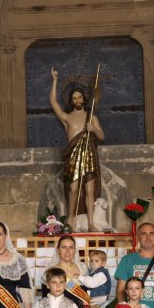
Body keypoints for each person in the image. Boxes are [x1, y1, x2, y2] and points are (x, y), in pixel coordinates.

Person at [50, 67, 105, 231]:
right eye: (74, 98)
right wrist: (54, 81)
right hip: (73, 156)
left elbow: (102, 136)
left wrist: (93, 129)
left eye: (80, 97)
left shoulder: (91, 117)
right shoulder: (67, 118)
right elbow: (53, 102)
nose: (77, 100)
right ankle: (71, 221)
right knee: (73, 189)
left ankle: (91, 223)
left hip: (88, 155)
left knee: (89, 190)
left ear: (84, 98)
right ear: (71, 101)